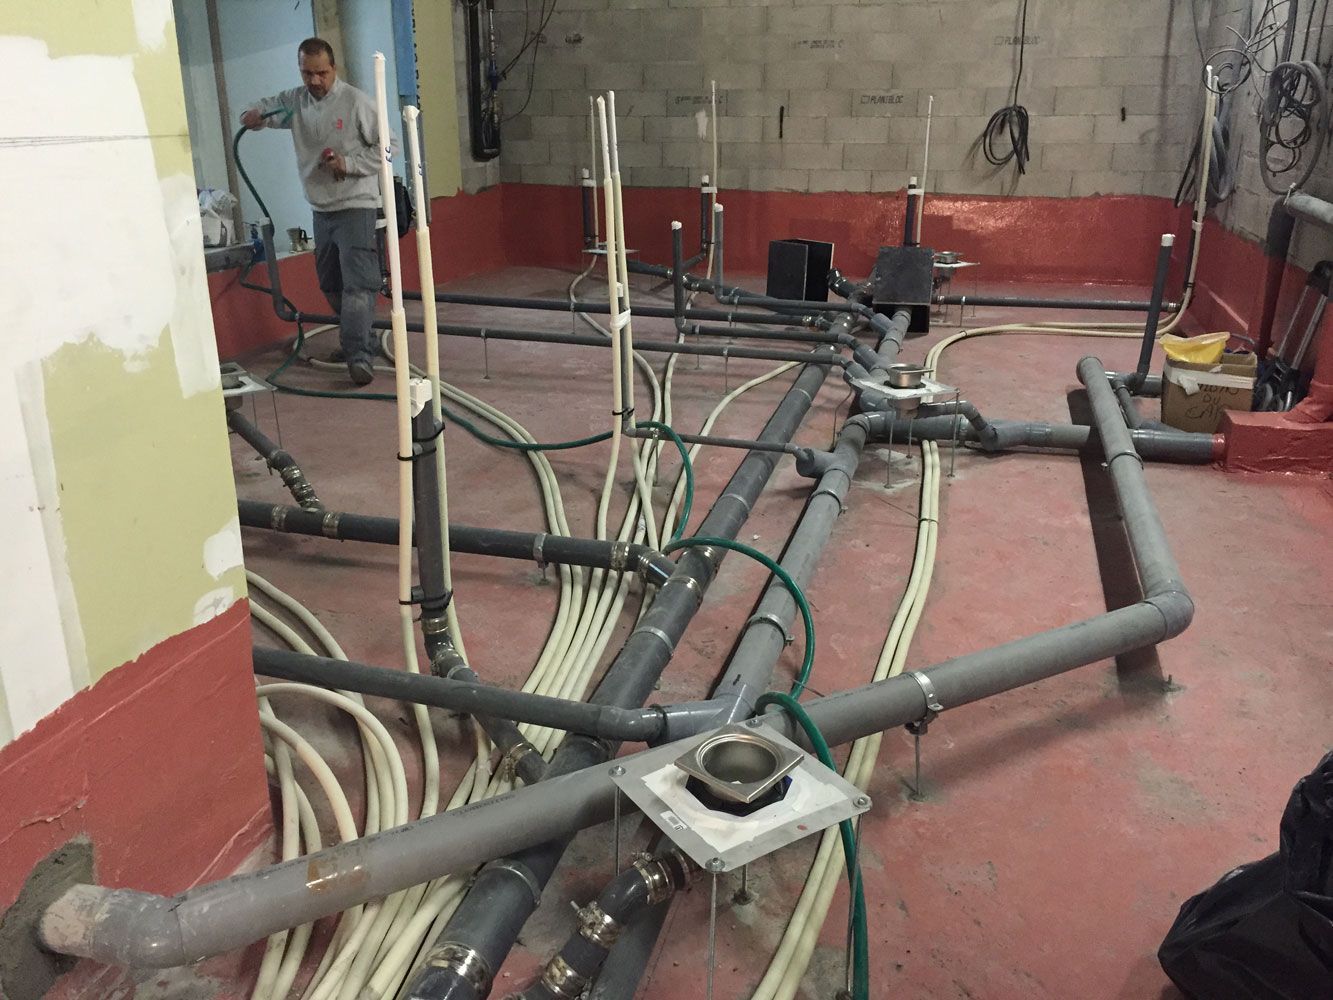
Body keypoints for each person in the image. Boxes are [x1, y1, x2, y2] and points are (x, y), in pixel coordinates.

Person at [241, 37, 389, 385]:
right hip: (321, 208)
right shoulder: (295, 102)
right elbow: (265, 109)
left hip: (356, 204)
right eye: (307, 73)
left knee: (358, 286)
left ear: (333, 69)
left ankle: (358, 357)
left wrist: (349, 164)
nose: (315, 81)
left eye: (321, 73)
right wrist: (252, 116)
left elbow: (387, 146)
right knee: (331, 283)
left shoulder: (356, 102)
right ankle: (363, 342)